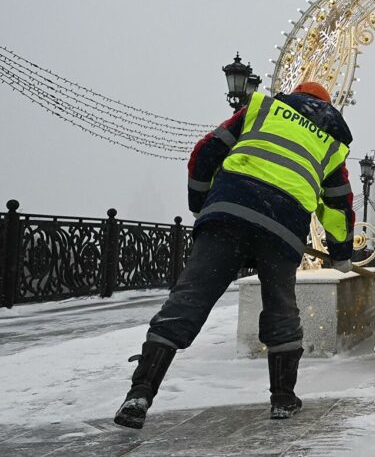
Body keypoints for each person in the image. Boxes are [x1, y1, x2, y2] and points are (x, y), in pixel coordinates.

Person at [114, 81, 355, 429]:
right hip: (282, 230)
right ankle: (283, 400)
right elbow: (338, 206)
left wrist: (201, 203)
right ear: (328, 108)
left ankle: (139, 393)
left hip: (228, 214)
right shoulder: (332, 142)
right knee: (281, 308)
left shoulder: (262, 108)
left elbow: (205, 152)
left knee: (188, 301)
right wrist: (341, 253)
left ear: (296, 97)